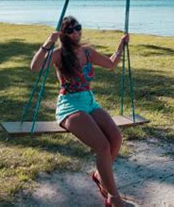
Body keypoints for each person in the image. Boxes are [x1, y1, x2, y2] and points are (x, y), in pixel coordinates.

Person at [30, 16, 129, 207]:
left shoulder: (87, 52)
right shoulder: (59, 54)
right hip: (70, 105)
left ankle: (100, 175)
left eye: (78, 28)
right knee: (102, 146)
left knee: (115, 138)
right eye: (70, 30)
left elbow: (111, 64)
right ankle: (114, 198)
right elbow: (35, 67)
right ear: (63, 34)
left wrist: (121, 45)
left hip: (89, 102)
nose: (75, 32)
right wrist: (47, 43)